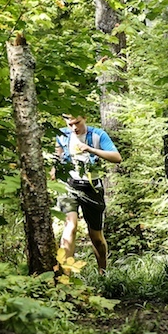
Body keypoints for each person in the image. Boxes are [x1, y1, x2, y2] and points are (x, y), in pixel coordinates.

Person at [53, 113, 122, 274]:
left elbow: (117, 157)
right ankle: (65, 277)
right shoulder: (62, 135)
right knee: (70, 226)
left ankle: (103, 273)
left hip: (92, 188)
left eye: (77, 123)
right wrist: (54, 168)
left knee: (96, 237)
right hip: (69, 186)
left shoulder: (98, 135)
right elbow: (58, 154)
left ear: (84, 118)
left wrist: (90, 149)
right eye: (70, 124)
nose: (74, 127)